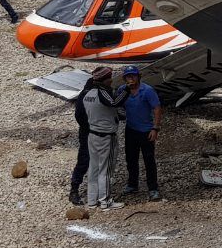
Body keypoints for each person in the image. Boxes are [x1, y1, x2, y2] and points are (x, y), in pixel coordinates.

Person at [83, 71, 130, 209]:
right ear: (104, 80)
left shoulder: (88, 94)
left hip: (92, 134)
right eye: (109, 78)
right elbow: (114, 103)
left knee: (94, 169)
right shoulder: (102, 93)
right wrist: (127, 89)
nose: (111, 80)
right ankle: (105, 201)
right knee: (106, 170)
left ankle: (92, 201)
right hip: (105, 137)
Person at [69, 67, 113, 205]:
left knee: (96, 162)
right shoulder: (91, 92)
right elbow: (80, 115)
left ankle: (96, 193)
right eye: (109, 78)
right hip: (90, 132)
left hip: (95, 131)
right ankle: (75, 189)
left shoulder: (97, 90)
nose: (111, 80)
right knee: (86, 160)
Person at [121, 65, 163, 201]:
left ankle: (153, 188)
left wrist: (155, 128)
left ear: (138, 77)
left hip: (146, 131)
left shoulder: (147, 90)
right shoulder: (123, 90)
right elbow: (116, 104)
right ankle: (132, 184)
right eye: (128, 76)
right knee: (131, 159)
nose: (131, 79)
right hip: (130, 129)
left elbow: (157, 108)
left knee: (149, 160)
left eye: (133, 76)